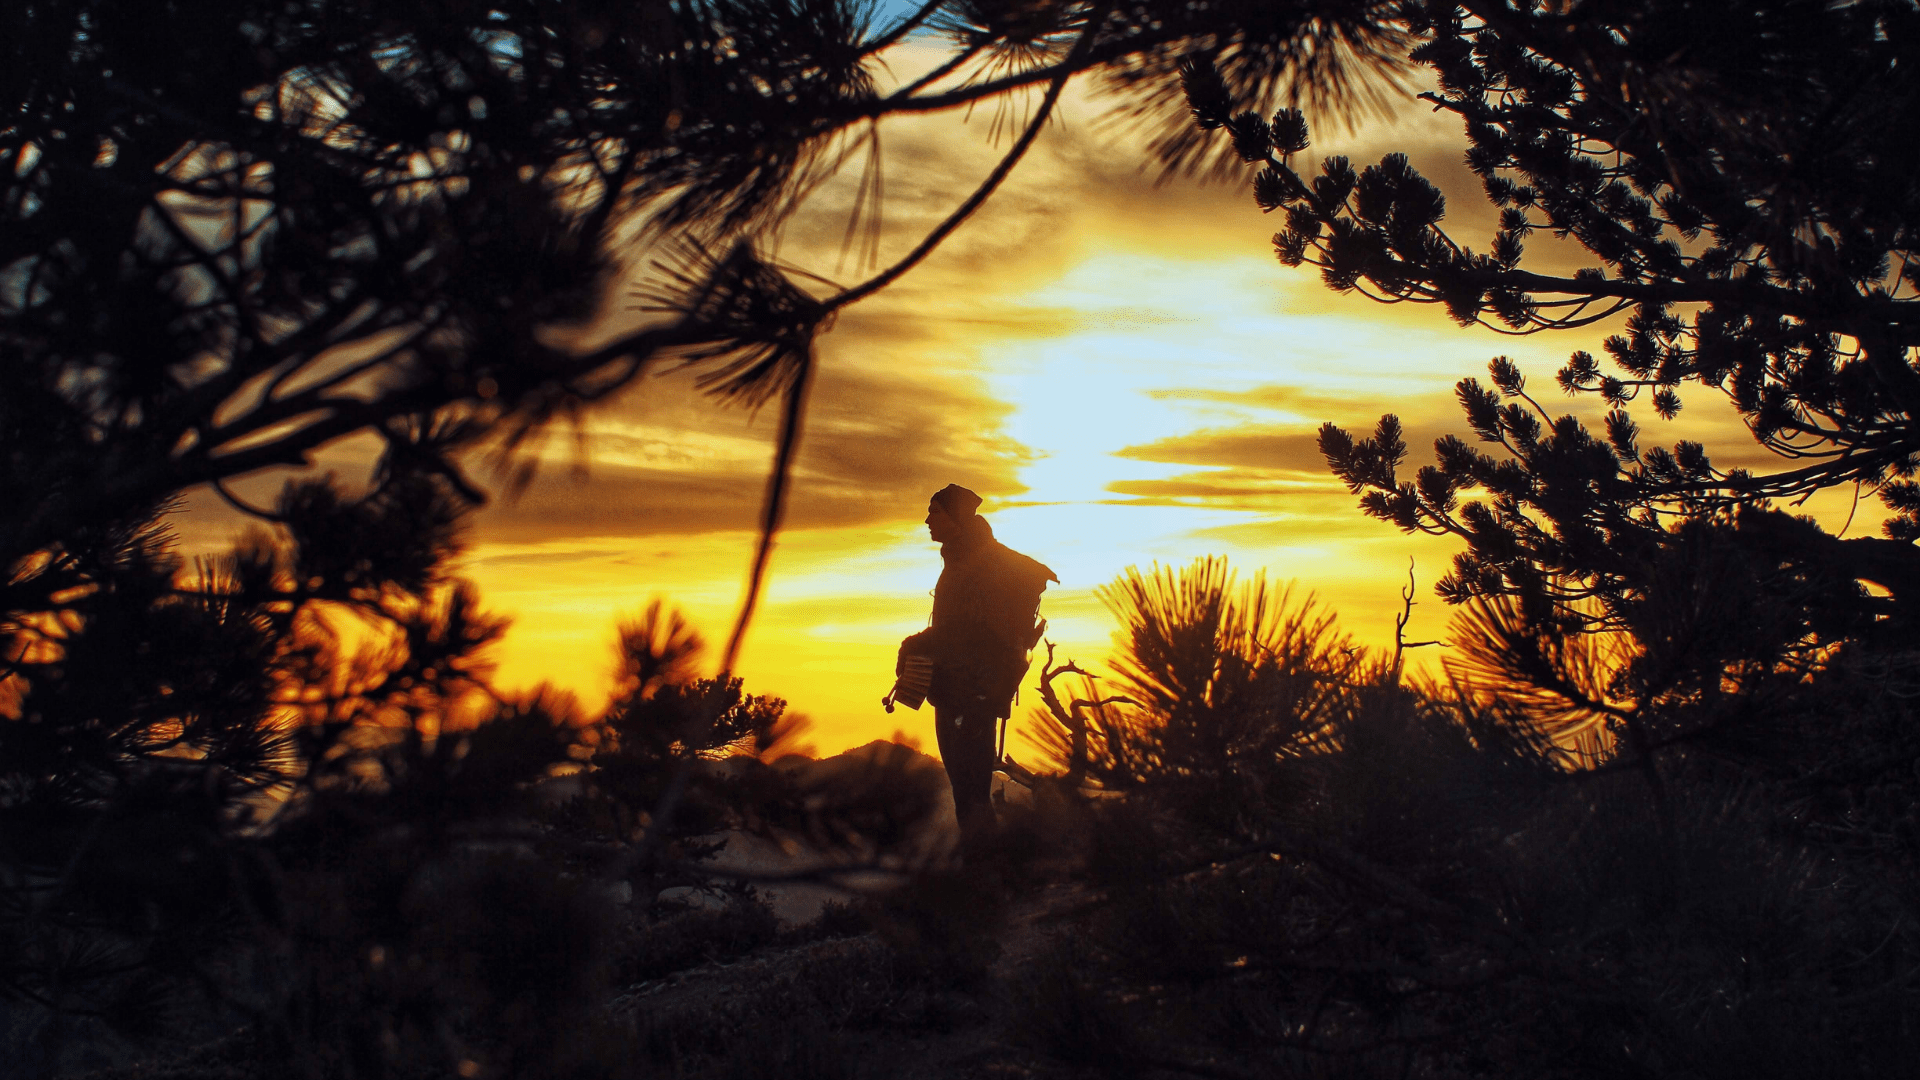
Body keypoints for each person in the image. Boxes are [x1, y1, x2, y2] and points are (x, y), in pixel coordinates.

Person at [895, 484, 1056, 836]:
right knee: (968, 794)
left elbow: (972, 631)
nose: (927, 520)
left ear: (955, 517)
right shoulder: (968, 559)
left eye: (935, 511)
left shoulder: (978, 565)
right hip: (965, 692)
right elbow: (962, 628)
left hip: (968, 695)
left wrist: (917, 645)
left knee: (971, 795)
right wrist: (919, 644)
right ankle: (983, 871)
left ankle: (984, 874)